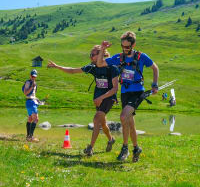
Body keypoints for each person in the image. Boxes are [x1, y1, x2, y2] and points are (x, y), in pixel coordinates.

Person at [97, 31, 159, 162]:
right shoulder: (118, 57)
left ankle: (125, 148)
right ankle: (136, 148)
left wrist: (155, 85)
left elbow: (155, 68)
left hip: (137, 92)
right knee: (129, 122)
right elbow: (100, 63)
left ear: (133, 44)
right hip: (125, 92)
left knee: (123, 116)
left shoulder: (141, 56)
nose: (125, 49)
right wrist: (102, 49)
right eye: (123, 46)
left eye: (127, 47)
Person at [47, 45, 119, 156]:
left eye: (93, 55)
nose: (90, 57)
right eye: (90, 55)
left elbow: (115, 89)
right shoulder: (92, 67)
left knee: (96, 120)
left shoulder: (112, 67)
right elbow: (72, 71)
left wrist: (101, 98)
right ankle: (111, 139)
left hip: (108, 98)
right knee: (102, 123)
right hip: (98, 99)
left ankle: (90, 148)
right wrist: (57, 66)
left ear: (102, 55)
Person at [23, 69, 40, 142]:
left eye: (35, 76)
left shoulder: (35, 83)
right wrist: (31, 87)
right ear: (30, 75)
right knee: (36, 119)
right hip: (30, 102)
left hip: (33, 101)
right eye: (32, 76)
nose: (33, 77)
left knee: (30, 119)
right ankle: (31, 137)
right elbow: (25, 93)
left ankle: (28, 137)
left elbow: (33, 95)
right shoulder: (28, 82)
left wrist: (37, 99)